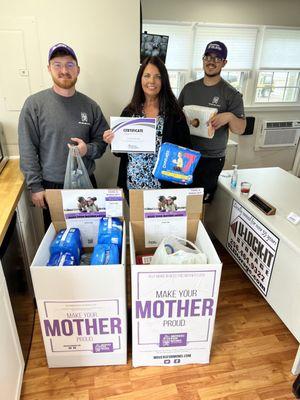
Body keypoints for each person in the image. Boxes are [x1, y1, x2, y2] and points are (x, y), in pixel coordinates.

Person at [18, 43, 108, 229]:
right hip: (52, 186)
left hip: (86, 183)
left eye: (69, 64)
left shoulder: (90, 106)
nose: (64, 70)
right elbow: (27, 148)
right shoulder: (34, 105)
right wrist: (35, 186)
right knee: (58, 241)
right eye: (57, 64)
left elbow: (101, 143)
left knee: (91, 237)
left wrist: (87, 149)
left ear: (78, 69)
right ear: (49, 69)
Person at [103, 56, 191, 202]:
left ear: (164, 81)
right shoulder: (130, 112)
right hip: (134, 186)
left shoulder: (174, 114)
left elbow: (186, 151)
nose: (152, 81)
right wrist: (111, 140)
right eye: (147, 76)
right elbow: (119, 152)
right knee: (137, 225)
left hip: (165, 189)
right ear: (140, 80)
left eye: (158, 77)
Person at [178, 41, 246, 203]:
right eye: (208, 57)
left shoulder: (231, 93)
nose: (211, 61)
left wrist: (229, 116)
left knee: (202, 203)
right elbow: (177, 117)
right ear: (203, 59)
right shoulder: (189, 89)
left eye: (217, 58)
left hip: (211, 159)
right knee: (181, 199)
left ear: (224, 62)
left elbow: (240, 129)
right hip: (186, 155)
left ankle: (199, 228)